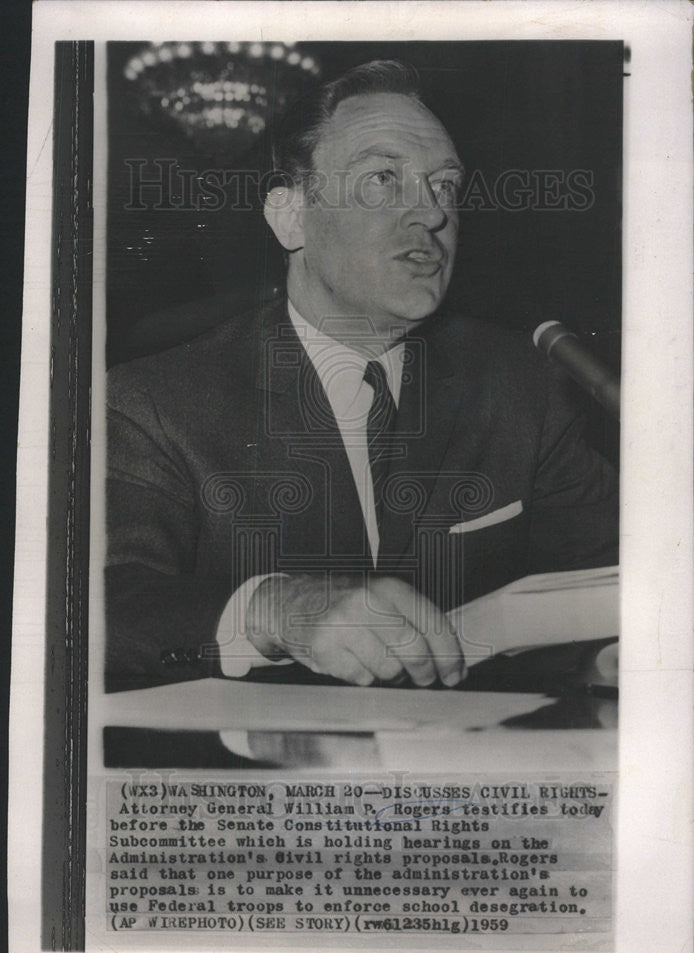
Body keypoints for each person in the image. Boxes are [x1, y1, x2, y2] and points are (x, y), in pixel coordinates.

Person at [106, 60, 618, 693]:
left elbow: (619, 576)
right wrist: (276, 610)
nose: (431, 215)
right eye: (383, 178)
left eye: (445, 187)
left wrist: (609, 658)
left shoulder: (523, 387)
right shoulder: (154, 402)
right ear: (290, 216)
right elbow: (96, 607)